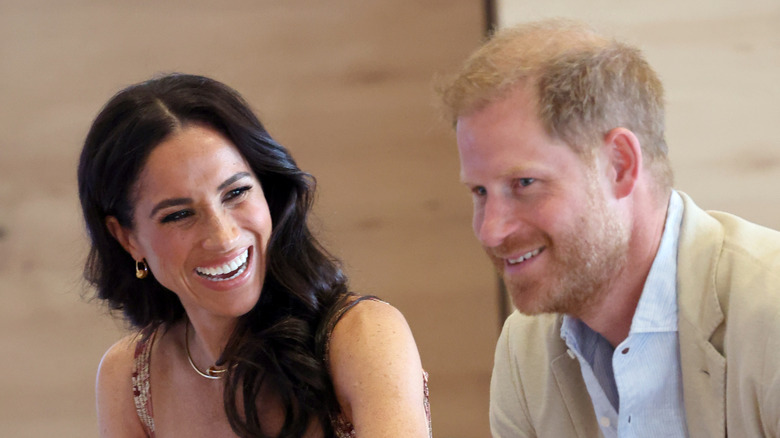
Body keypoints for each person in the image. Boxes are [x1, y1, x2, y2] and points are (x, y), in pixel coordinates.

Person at [438, 19, 780, 437]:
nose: (491, 231)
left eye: (524, 184)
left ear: (619, 164)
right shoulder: (524, 352)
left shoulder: (770, 313)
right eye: (479, 192)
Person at [78, 73, 432, 438]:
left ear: (268, 191)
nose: (223, 236)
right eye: (179, 215)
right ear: (126, 238)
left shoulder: (362, 337)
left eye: (235, 193)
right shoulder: (131, 379)